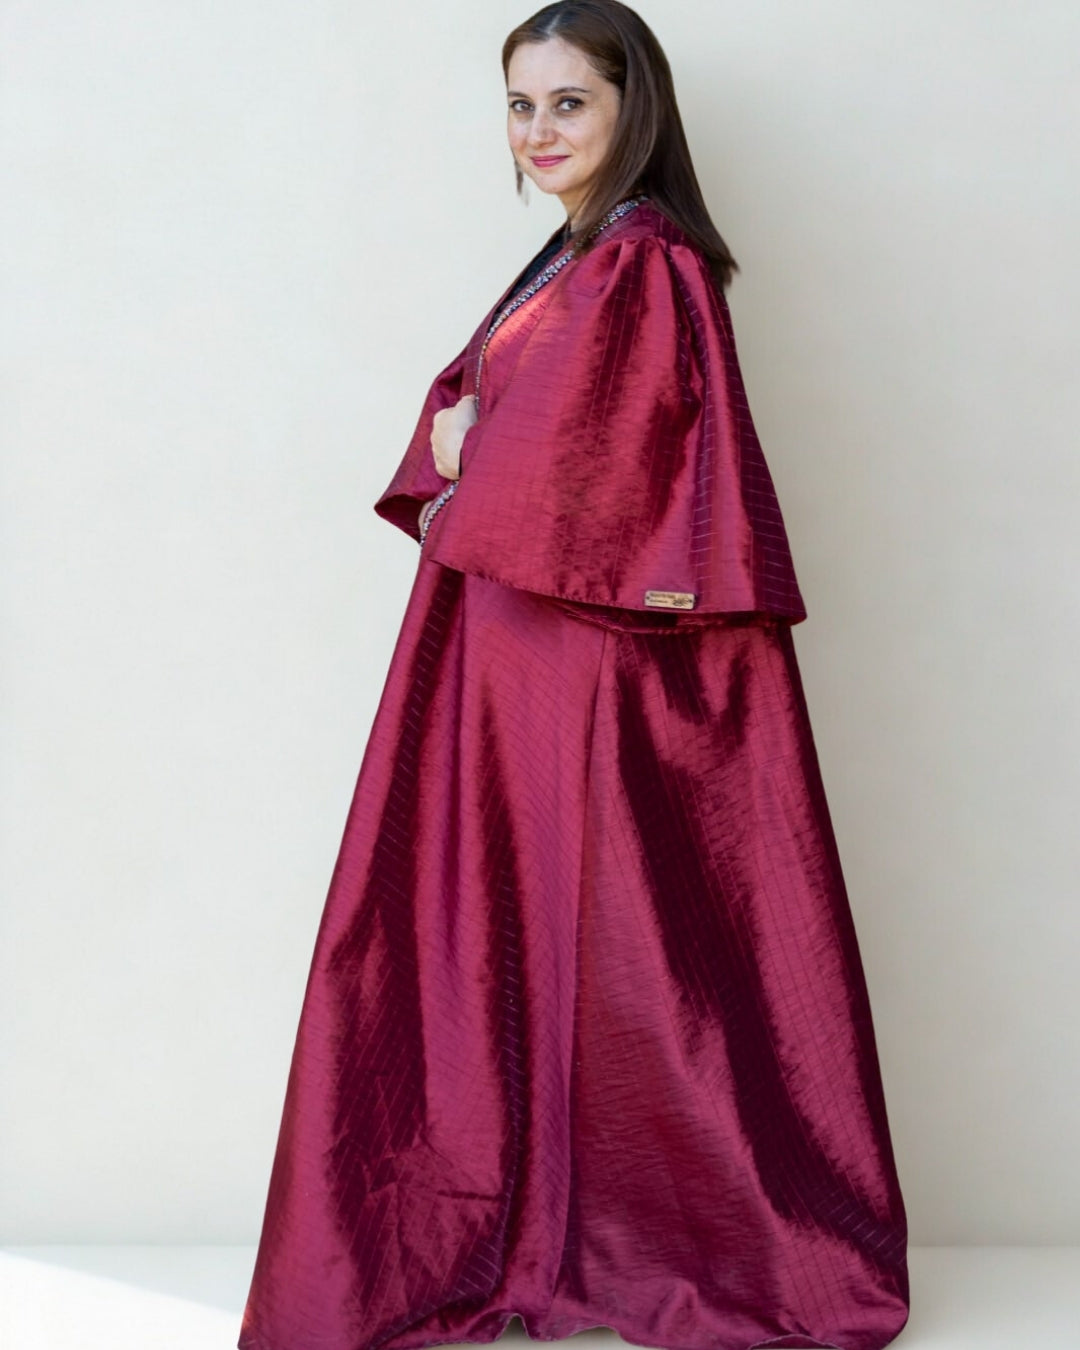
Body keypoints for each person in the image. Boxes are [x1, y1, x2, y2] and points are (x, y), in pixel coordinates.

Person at [237, 4, 910, 1350]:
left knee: (599, 940)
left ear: (632, 110)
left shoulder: (644, 266)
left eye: (569, 105)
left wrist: (469, 446)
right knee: (513, 935)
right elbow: (475, 433)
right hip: (515, 656)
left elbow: (578, 472)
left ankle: (610, 1235)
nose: (540, 133)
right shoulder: (573, 260)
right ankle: (527, 1221)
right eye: (520, 106)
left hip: (576, 673)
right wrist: (459, 434)